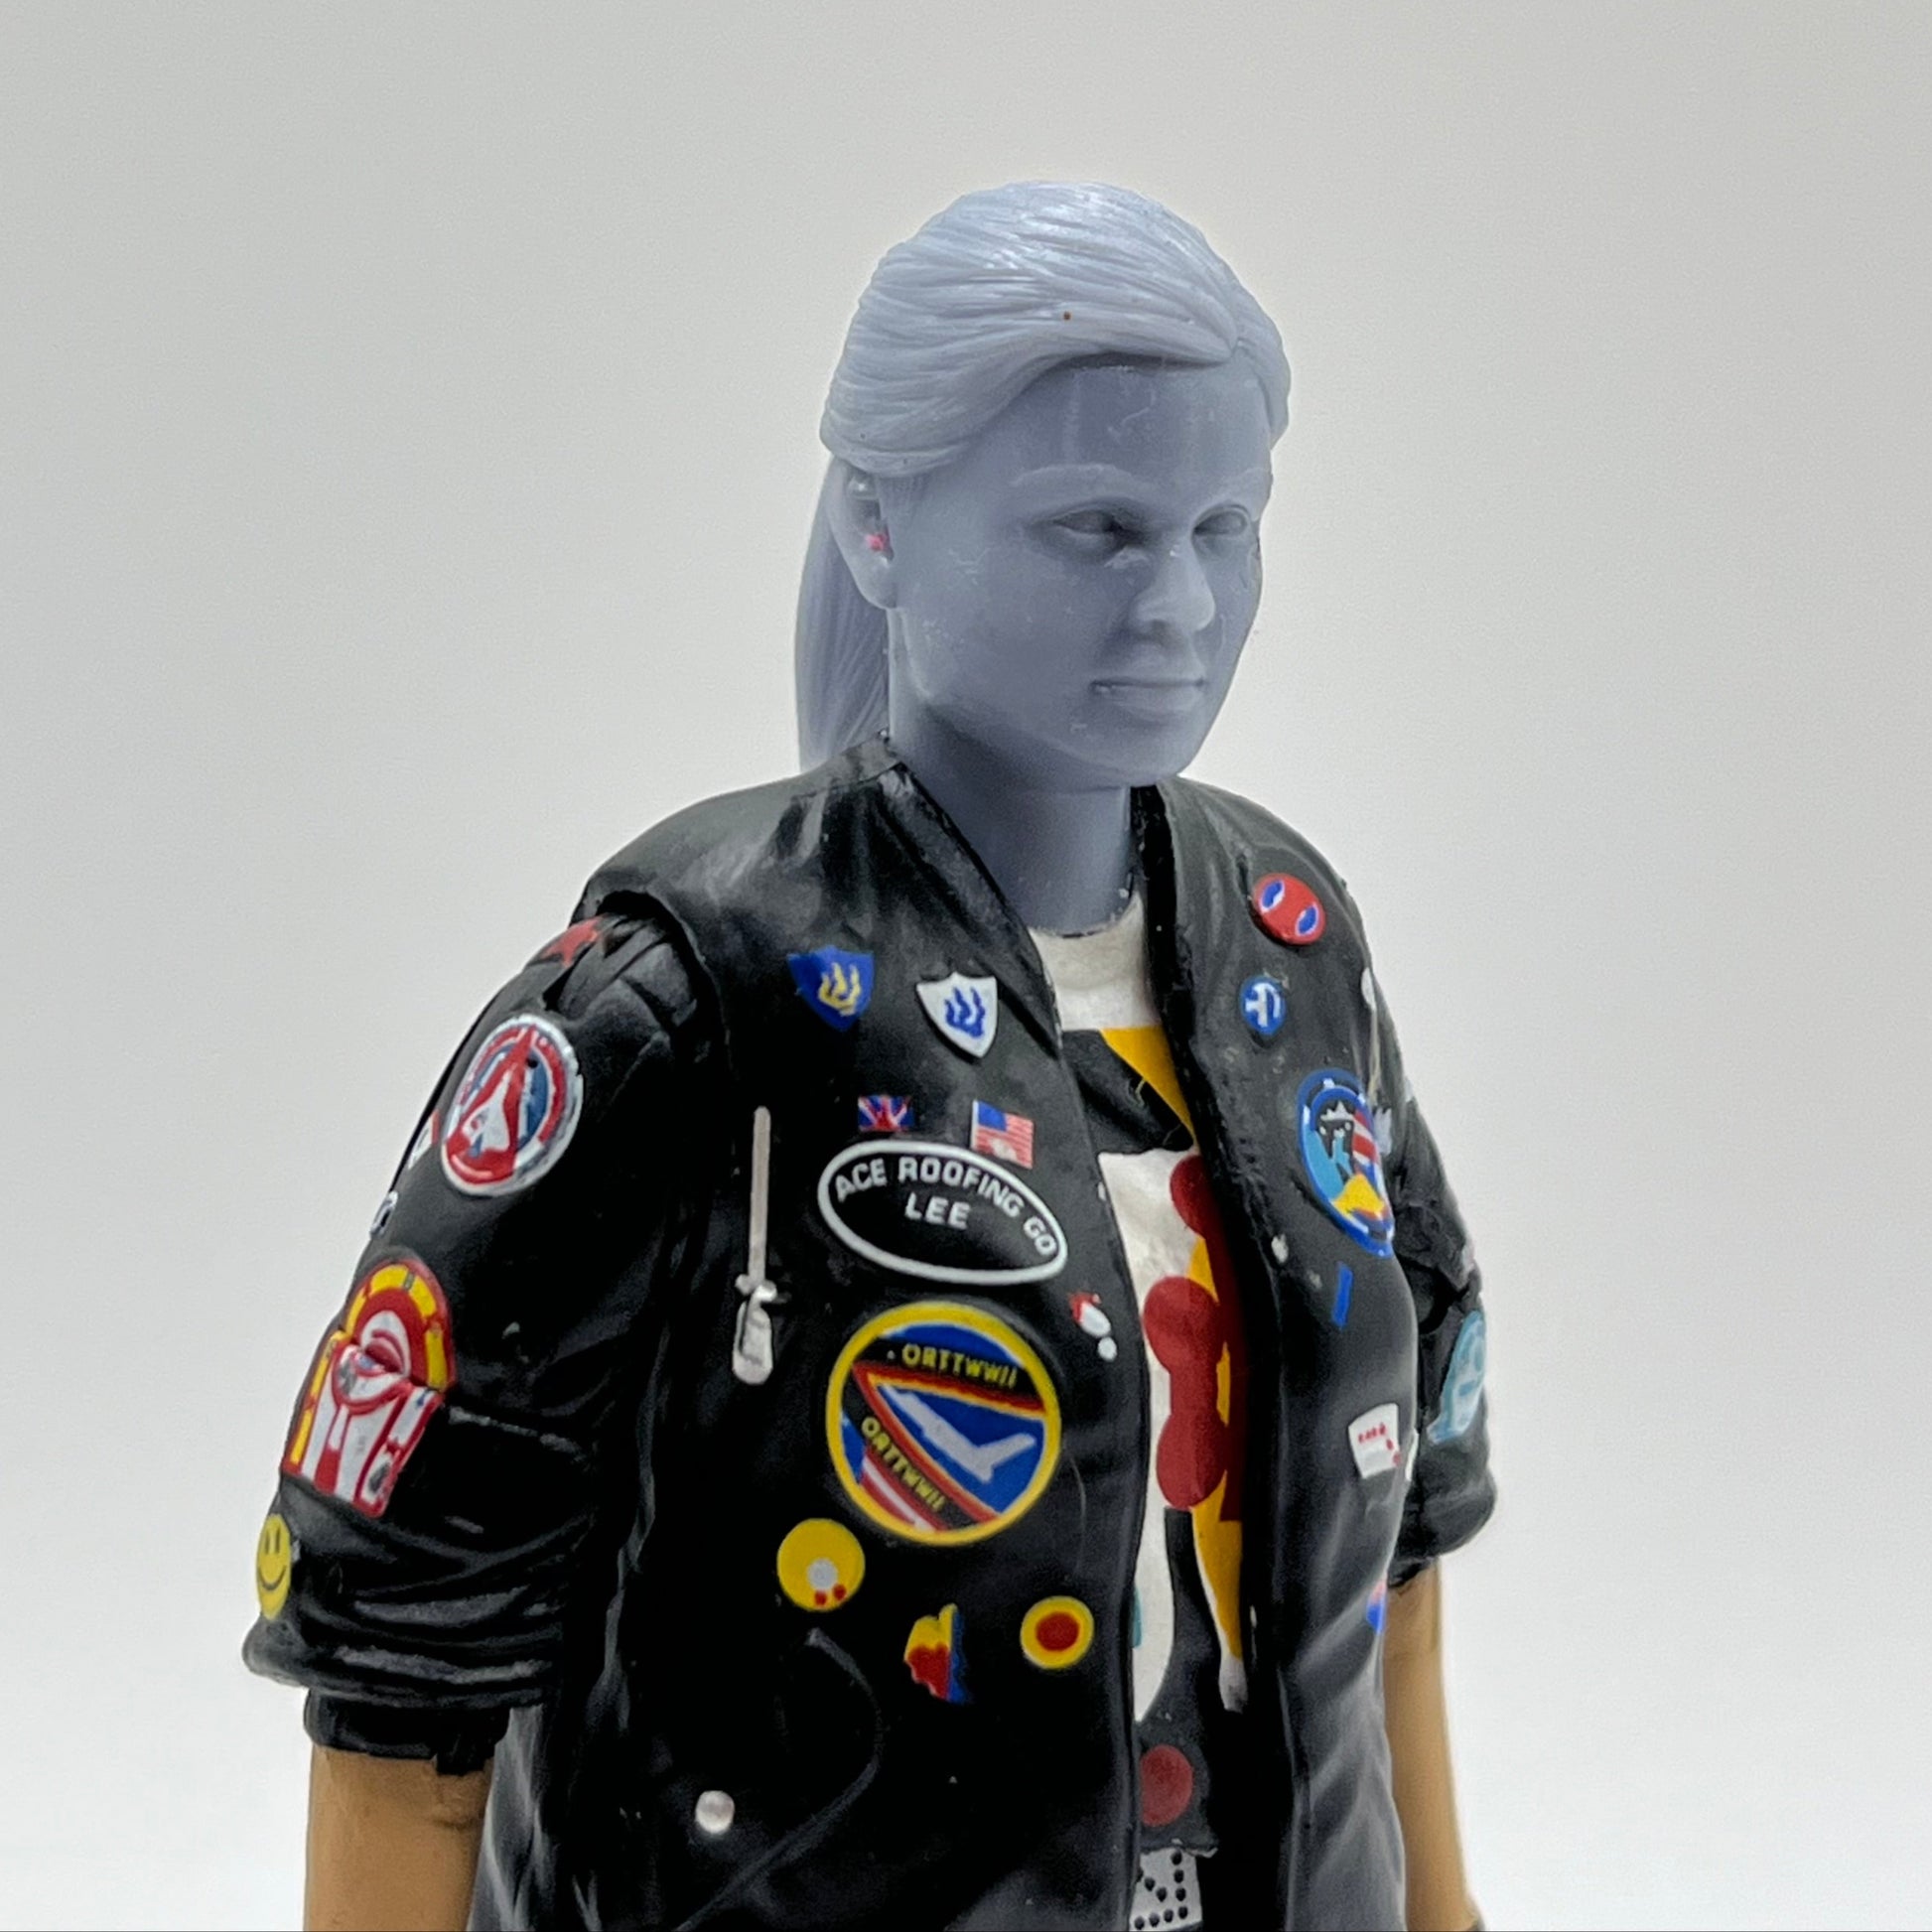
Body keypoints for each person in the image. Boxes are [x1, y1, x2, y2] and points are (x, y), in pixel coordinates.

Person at [247, 181, 1495, 1932]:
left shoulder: (1293, 944)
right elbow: (405, 1655)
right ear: (877, 523)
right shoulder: (687, 994)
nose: (1177, 603)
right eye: (1094, 526)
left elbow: (1397, 1545)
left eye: (1223, 526)